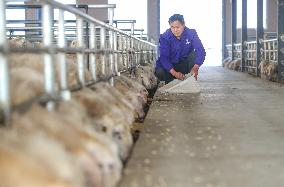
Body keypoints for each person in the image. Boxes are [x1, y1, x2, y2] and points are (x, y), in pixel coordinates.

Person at [155, 14, 206, 84]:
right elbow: (164, 57)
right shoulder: (164, 37)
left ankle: (190, 76)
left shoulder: (191, 33)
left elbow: (201, 51)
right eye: (172, 27)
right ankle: (173, 78)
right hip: (170, 66)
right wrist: (174, 73)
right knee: (159, 73)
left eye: (177, 27)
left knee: (193, 55)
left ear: (183, 25)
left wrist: (195, 67)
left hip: (184, 64)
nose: (175, 30)